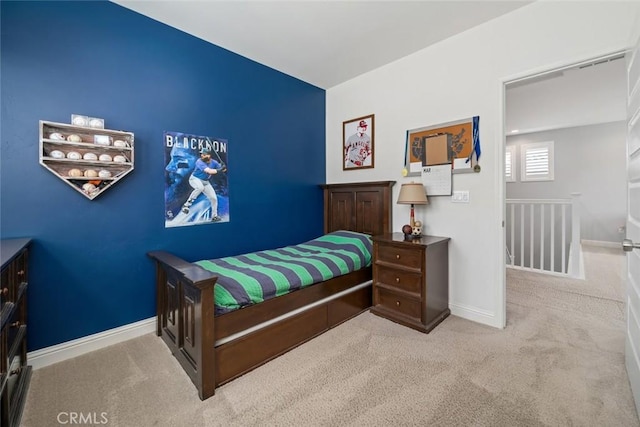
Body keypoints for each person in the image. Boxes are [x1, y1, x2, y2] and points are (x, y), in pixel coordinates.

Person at [181, 147, 226, 222]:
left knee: (214, 198)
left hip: (205, 181)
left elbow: (223, 170)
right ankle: (186, 205)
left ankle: (214, 216)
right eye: (201, 154)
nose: (202, 155)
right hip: (195, 179)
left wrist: (223, 167)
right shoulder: (199, 161)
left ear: (209, 155)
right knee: (200, 188)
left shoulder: (214, 162)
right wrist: (220, 170)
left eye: (204, 154)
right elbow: (209, 171)